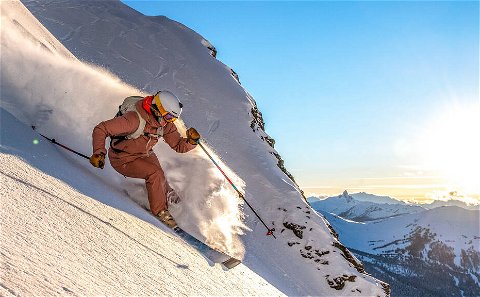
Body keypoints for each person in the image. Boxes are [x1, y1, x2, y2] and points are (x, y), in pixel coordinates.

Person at [89, 91, 200, 228]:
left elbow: (178, 146)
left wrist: (192, 141)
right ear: (158, 109)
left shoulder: (165, 123)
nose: (170, 121)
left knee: (161, 178)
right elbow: (101, 129)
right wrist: (99, 152)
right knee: (155, 174)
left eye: (173, 119)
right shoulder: (133, 120)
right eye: (169, 116)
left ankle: (177, 205)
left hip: (145, 153)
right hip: (123, 159)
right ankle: (161, 212)